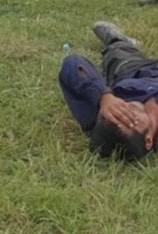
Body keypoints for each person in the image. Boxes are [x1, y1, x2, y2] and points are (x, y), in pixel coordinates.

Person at [59, 21, 158, 161]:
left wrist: (104, 97)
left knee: (117, 52)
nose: (125, 108)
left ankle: (117, 40)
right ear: (148, 141)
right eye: (127, 118)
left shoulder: (101, 123)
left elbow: (72, 63)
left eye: (115, 113)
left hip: (131, 71)